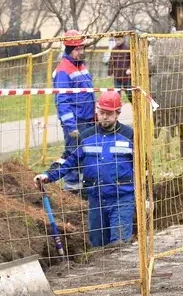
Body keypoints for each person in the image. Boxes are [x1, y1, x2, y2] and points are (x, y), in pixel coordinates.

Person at [37, 90, 134, 247]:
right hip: (96, 199)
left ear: (118, 113)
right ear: (96, 110)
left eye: (109, 113)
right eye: (101, 112)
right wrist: (48, 175)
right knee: (98, 245)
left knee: (120, 245)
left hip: (122, 199)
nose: (104, 116)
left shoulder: (129, 135)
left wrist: (146, 197)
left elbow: (142, 166)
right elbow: (69, 159)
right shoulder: (87, 136)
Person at [53, 30, 95, 190]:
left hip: (88, 120)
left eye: (81, 48)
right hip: (77, 122)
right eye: (77, 49)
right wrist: (71, 126)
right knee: (73, 155)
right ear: (70, 49)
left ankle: (84, 189)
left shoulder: (81, 66)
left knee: (86, 155)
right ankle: (71, 190)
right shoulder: (63, 71)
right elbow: (62, 101)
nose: (81, 52)